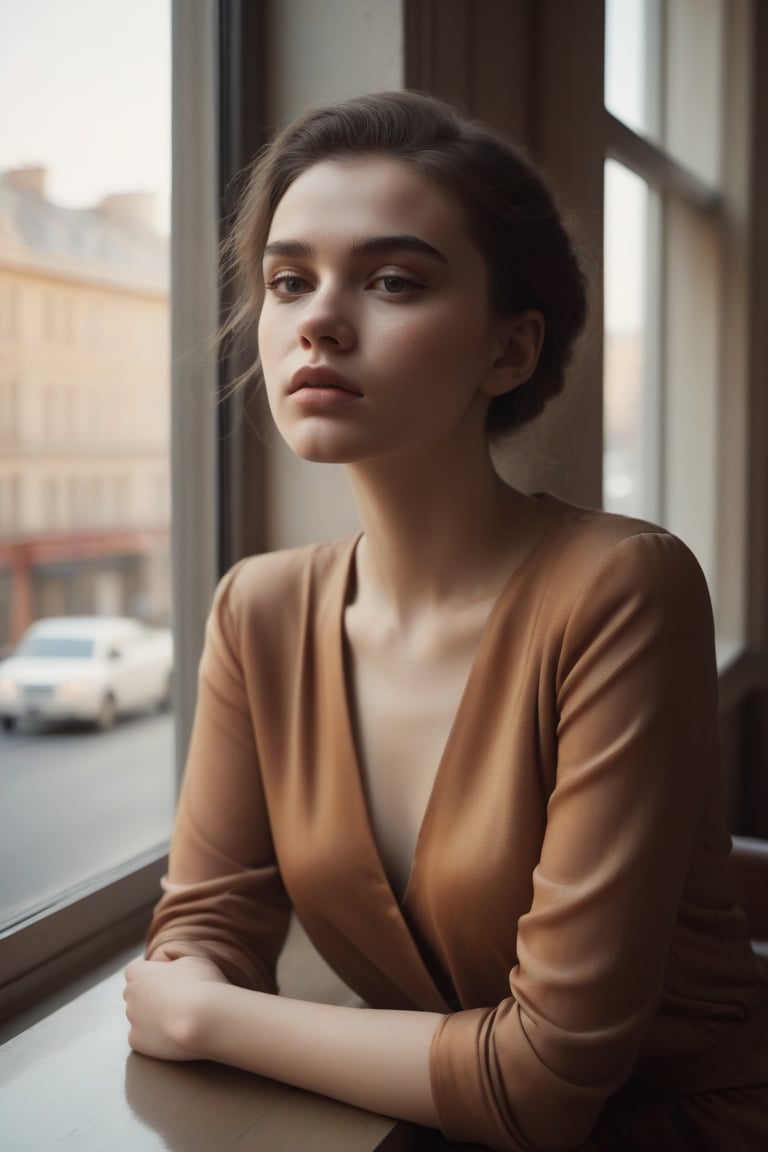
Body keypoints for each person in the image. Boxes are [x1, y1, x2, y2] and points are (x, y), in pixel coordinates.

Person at [123, 90, 768, 1151]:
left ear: (508, 353)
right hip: (431, 1124)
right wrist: (200, 983)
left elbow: (546, 1081)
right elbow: (206, 925)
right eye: (289, 281)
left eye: (391, 281)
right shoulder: (259, 607)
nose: (318, 319)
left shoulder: (622, 587)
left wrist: (203, 1013)